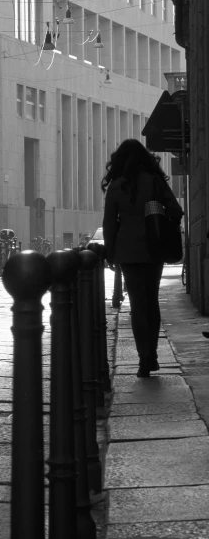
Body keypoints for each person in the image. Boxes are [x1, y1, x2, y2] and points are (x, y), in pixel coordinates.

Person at [102, 139, 183, 377]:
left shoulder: (116, 186)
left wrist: (110, 252)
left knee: (137, 304)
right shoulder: (154, 181)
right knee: (151, 301)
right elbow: (176, 211)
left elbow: (108, 224)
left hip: (128, 249)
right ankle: (154, 353)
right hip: (154, 246)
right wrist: (159, 217)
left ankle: (143, 358)